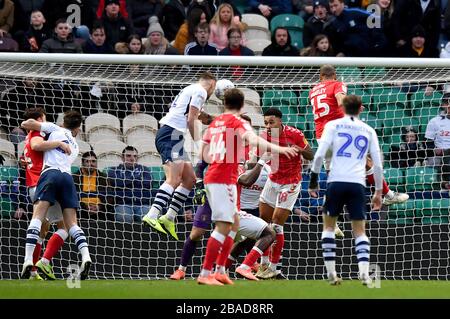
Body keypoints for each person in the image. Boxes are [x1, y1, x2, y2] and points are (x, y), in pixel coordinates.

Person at [196, 88, 298, 285]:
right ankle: (206, 273)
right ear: (242, 105)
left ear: (224, 104)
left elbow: (203, 152)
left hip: (212, 178)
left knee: (231, 225)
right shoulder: (238, 122)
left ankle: (220, 271)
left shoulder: (216, 123)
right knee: (225, 228)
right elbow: (255, 140)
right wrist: (282, 149)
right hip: (223, 179)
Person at [308, 95, 383, 285]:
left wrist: (313, 181)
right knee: (359, 231)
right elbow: (378, 165)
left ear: (341, 108)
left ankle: (332, 273)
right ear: (360, 109)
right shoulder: (369, 130)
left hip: (336, 181)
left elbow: (318, 156)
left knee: (328, 227)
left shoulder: (332, 126)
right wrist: (379, 192)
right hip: (357, 184)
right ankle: (364, 273)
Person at [309, 64, 409, 206]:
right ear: (335, 75)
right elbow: (339, 99)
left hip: (321, 136)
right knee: (366, 162)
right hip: (339, 134)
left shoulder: (313, 90)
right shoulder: (337, 84)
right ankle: (388, 195)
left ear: (320, 77)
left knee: (335, 174)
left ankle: (331, 214)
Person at [142, 72, 217, 240]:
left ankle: (169, 217)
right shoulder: (201, 91)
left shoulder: (192, 89)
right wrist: (199, 144)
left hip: (175, 136)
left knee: (189, 179)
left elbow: (203, 117)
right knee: (173, 179)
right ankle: (152, 215)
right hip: (170, 135)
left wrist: (226, 119)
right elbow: (192, 120)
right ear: (212, 84)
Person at [20, 110, 92, 280]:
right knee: (70, 224)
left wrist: (56, 140)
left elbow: (26, 126)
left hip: (47, 176)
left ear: (62, 122)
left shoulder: (52, 129)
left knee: (38, 221)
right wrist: (60, 143)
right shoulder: (75, 145)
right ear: (78, 129)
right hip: (66, 178)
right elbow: (38, 146)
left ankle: (29, 261)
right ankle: (86, 256)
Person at [255, 107, 314, 280]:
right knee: (263, 224)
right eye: (265, 122)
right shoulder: (264, 136)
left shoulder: (295, 134)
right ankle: (264, 264)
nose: (267, 125)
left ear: (280, 121)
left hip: (290, 184)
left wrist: (299, 149)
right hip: (272, 181)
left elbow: (310, 155)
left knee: (276, 225)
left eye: (271, 122)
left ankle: (273, 267)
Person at [18, 107, 68, 280]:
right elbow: (37, 145)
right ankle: (43, 262)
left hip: (34, 186)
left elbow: (29, 154)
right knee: (65, 226)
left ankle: (32, 272)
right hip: (44, 184)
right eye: (44, 119)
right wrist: (59, 143)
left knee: (42, 230)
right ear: (40, 119)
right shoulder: (35, 135)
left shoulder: (26, 138)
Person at [107, 146, 152, 223]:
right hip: (123, 204)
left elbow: (147, 183)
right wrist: (137, 179)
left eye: (135, 156)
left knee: (148, 216)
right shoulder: (114, 171)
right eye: (128, 156)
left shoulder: (145, 169)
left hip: (143, 204)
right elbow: (118, 183)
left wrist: (126, 181)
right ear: (122, 158)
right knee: (124, 217)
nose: (132, 159)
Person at [73, 151, 109, 221]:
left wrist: (99, 206)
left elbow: (110, 197)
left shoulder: (103, 177)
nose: (91, 164)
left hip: (100, 209)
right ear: (82, 164)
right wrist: (85, 207)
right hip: (81, 209)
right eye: (87, 161)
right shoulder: (75, 177)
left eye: (93, 161)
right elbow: (72, 196)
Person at [425, 94, 450, 190]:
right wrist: (435, 149)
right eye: (447, 103)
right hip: (439, 155)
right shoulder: (435, 121)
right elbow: (428, 142)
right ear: (443, 105)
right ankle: (444, 185)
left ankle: (445, 183)